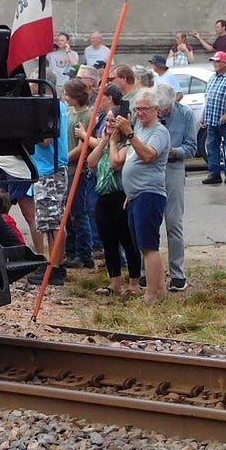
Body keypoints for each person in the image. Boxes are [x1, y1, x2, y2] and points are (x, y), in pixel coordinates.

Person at [112, 86, 170, 304]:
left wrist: (130, 133)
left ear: (156, 109)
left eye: (144, 109)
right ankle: (160, 290)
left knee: (149, 246)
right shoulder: (140, 128)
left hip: (150, 193)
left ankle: (151, 294)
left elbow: (148, 155)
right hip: (136, 194)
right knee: (144, 245)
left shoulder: (159, 132)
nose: (139, 113)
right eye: (137, 109)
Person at [85, 89, 139, 296]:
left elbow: (117, 163)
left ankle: (134, 282)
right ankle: (114, 281)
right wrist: (105, 141)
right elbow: (91, 163)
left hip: (120, 197)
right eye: (106, 121)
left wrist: (114, 142)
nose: (108, 125)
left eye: (111, 121)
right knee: (108, 241)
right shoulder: (106, 142)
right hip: (103, 197)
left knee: (127, 240)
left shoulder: (127, 144)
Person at [154, 81, 197, 291]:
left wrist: (172, 151)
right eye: (158, 109)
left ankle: (177, 273)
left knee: (173, 222)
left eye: (164, 109)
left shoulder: (186, 114)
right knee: (149, 222)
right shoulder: (149, 111)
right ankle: (148, 273)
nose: (161, 112)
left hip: (173, 168)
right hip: (151, 169)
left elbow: (192, 148)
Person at [32, 83, 73, 285]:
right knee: (50, 221)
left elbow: (45, 139)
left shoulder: (48, 106)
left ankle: (56, 267)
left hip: (50, 168)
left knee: (54, 221)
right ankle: (54, 263)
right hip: (52, 166)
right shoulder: (60, 105)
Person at [61, 78, 98, 270]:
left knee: (78, 212)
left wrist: (64, 158)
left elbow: (82, 146)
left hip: (78, 169)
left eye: (68, 94)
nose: (65, 97)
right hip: (68, 167)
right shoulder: (68, 112)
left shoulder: (87, 116)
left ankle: (84, 253)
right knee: (67, 212)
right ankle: (72, 250)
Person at [200, 51, 226, 185]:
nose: (215, 64)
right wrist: (203, 115)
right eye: (214, 61)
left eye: (218, 61)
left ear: (225, 63)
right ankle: (214, 173)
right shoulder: (212, 78)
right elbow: (208, 98)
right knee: (212, 147)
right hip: (212, 119)